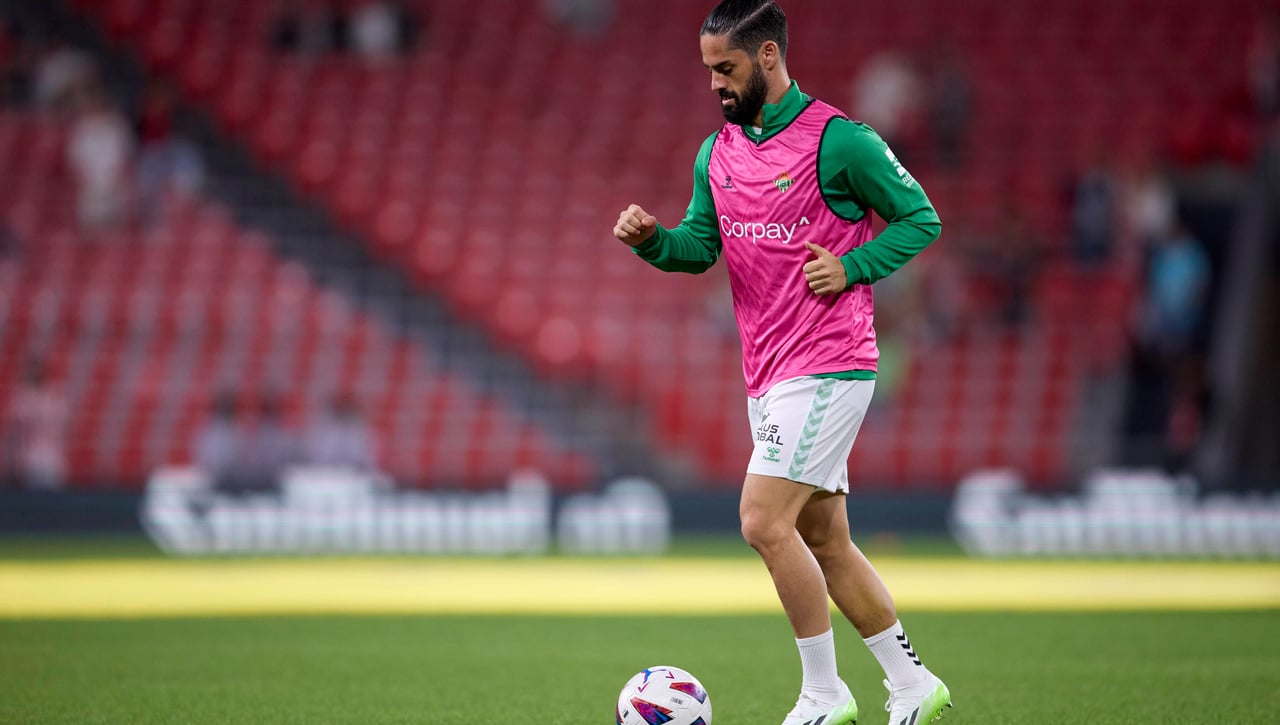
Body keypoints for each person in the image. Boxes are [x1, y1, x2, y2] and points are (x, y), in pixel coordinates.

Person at [611, 3, 950, 724]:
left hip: (830, 362)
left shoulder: (841, 142)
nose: (715, 85)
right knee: (825, 537)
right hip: (766, 376)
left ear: (768, 57)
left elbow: (922, 217)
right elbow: (700, 248)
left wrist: (854, 265)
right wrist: (651, 240)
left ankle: (825, 694)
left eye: (725, 69)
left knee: (763, 520)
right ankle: (913, 683)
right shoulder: (717, 154)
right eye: (708, 71)